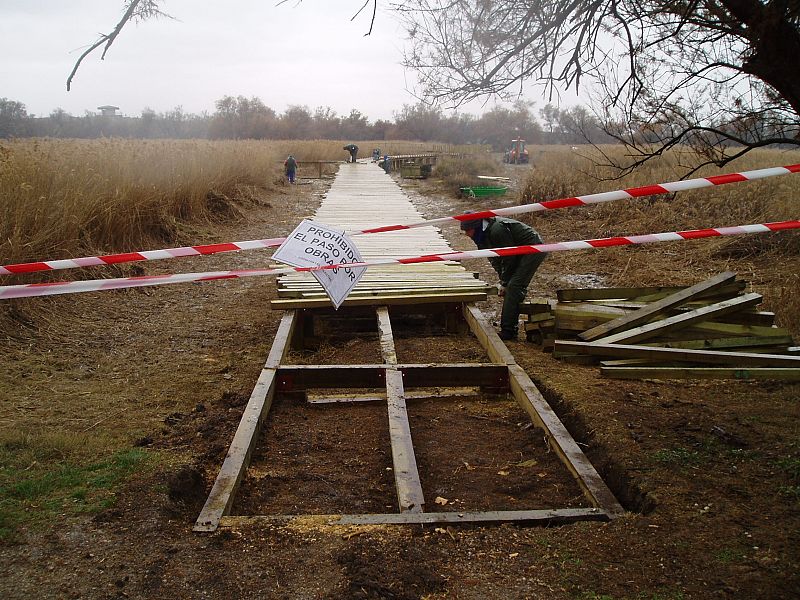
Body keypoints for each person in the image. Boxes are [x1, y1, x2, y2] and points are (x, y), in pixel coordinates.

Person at [460, 215, 546, 340]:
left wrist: (505, 283)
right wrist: (503, 280)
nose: (467, 234)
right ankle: (510, 326)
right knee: (510, 285)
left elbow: (509, 258)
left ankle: (509, 331)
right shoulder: (480, 235)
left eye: (468, 230)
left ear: (475, 226)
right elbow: (494, 259)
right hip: (517, 251)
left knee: (514, 286)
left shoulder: (497, 230)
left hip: (533, 248)